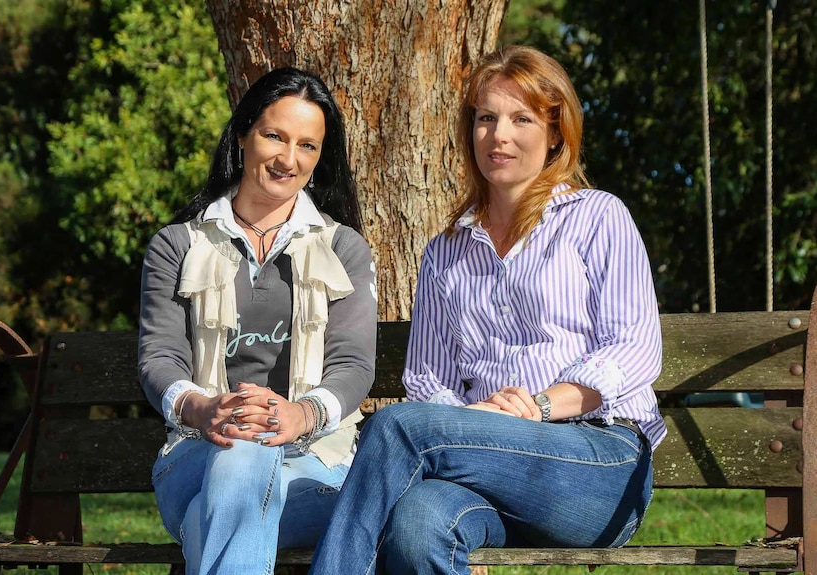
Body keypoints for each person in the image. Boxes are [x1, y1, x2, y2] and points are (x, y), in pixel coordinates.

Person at [309, 45, 665, 575]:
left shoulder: (597, 218)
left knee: (397, 427)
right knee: (418, 525)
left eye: (521, 119)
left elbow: (635, 348)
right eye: (486, 118)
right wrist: (477, 420)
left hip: (596, 463)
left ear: (556, 133)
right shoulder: (445, 250)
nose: (499, 135)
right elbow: (430, 379)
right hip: (482, 470)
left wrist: (539, 407)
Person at [138, 67, 377, 574]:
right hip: (197, 454)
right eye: (274, 136)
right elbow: (160, 355)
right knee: (242, 453)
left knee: (215, 513)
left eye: (308, 146)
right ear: (244, 134)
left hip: (317, 464)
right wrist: (202, 409)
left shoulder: (344, 249)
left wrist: (299, 416)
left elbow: (353, 365)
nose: (289, 159)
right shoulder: (177, 245)